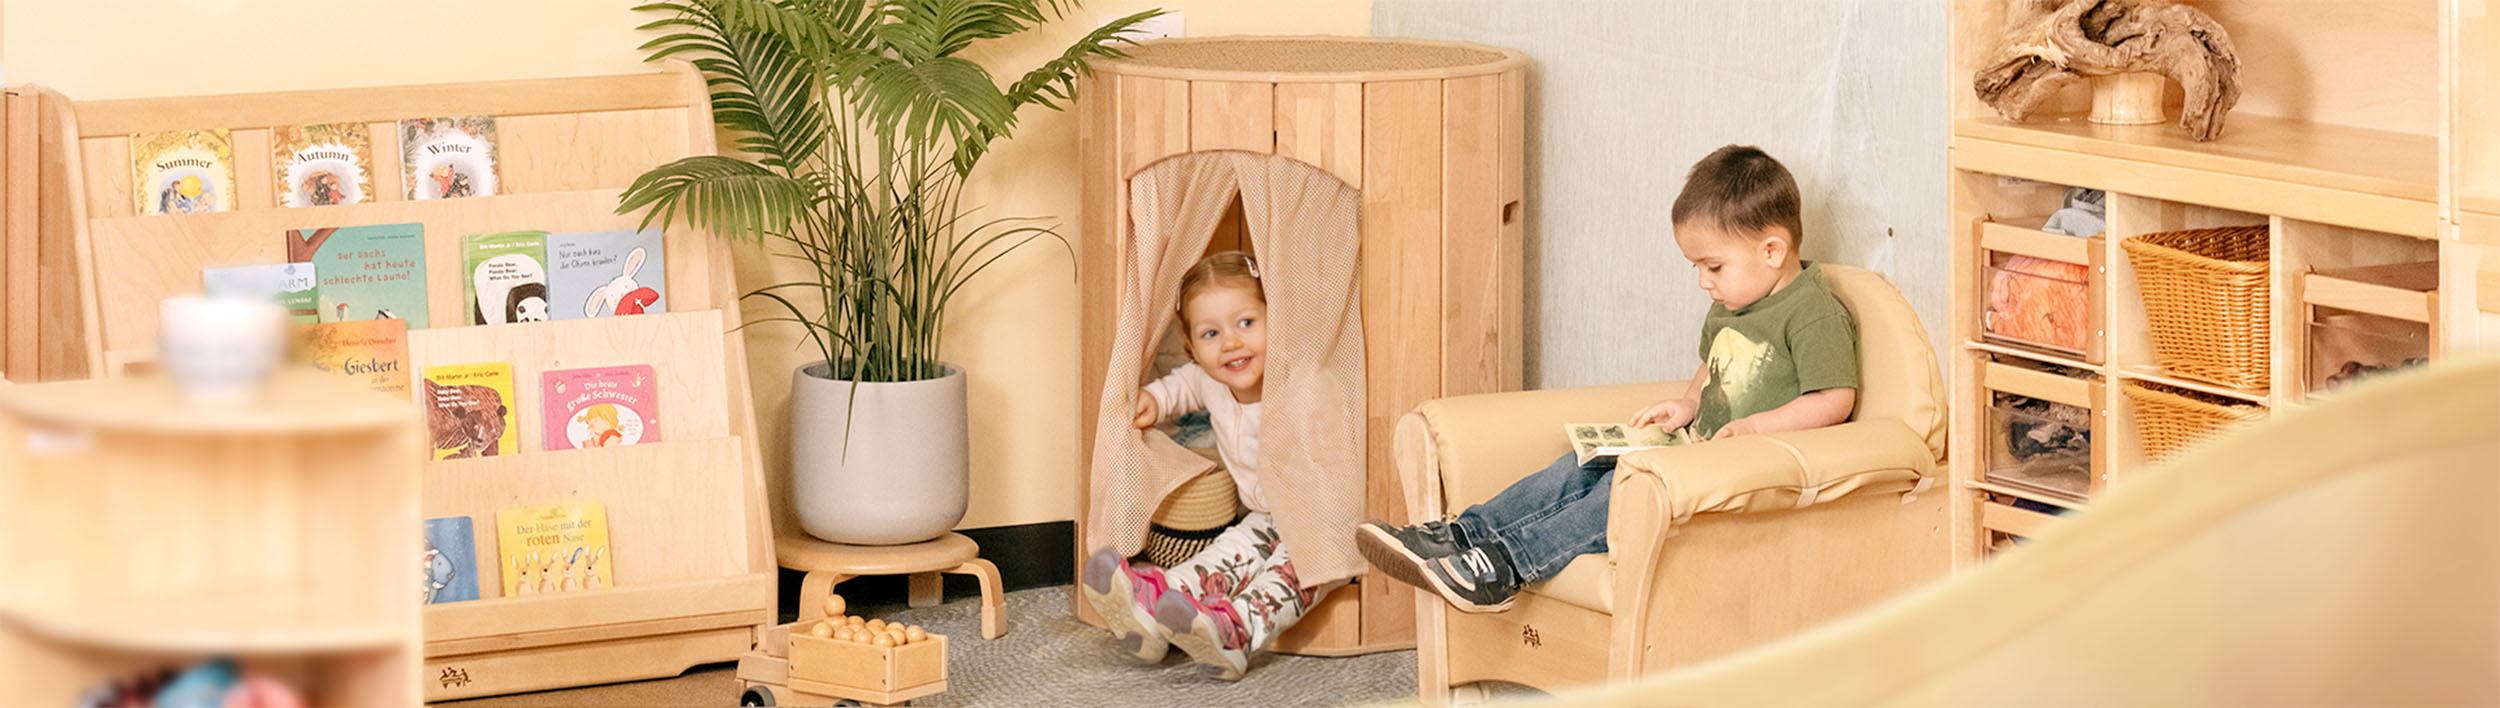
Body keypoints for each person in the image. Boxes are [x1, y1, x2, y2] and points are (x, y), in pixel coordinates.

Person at [1357, 145, 1862, 613]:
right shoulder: (1734, 303)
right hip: (1690, 451)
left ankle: (1505, 567)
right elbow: (1713, 366)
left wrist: (1757, 429)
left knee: (1611, 498)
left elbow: (1835, 398)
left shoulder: (1812, 312)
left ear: (1772, 250)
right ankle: (1464, 534)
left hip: (1738, 473)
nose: (1703, 282)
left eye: (1713, 266)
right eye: (1698, 268)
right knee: (1574, 469)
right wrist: (1687, 404)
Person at [1080, 250, 1339, 680]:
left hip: (1318, 523)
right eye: (1211, 333)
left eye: (1247, 324)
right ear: (1193, 348)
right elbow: (1183, 385)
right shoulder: (1208, 379)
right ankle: (1158, 601)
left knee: (1289, 572)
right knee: (1229, 552)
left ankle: (1237, 627)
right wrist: (1155, 400)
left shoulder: (1293, 379)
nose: (1232, 343)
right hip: (1263, 515)